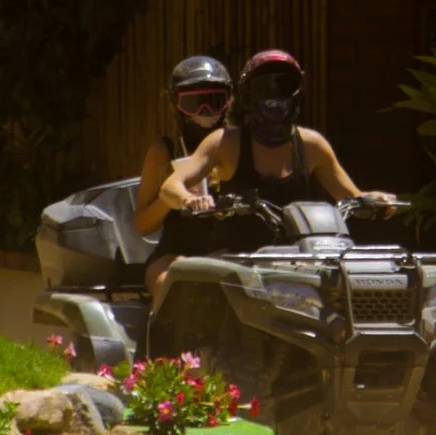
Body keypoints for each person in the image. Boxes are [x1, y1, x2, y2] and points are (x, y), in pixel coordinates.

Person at [147, 50, 389, 295]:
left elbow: (351, 197)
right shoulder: (225, 142)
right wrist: (189, 199)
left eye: (284, 86)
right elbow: (171, 185)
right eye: (265, 88)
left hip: (298, 263)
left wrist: (373, 200)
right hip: (235, 264)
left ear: (297, 94)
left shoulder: (312, 145)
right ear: (248, 95)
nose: (275, 97)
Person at [134, 55, 233, 237]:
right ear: (176, 106)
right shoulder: (163, 151)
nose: (205, 111)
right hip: (180, 247)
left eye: (214, 102)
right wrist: (171, 198)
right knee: (170, 267)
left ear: (228, 103)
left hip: (229, 246)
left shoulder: (237, 145)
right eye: (193, 103)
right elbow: (142, 225)